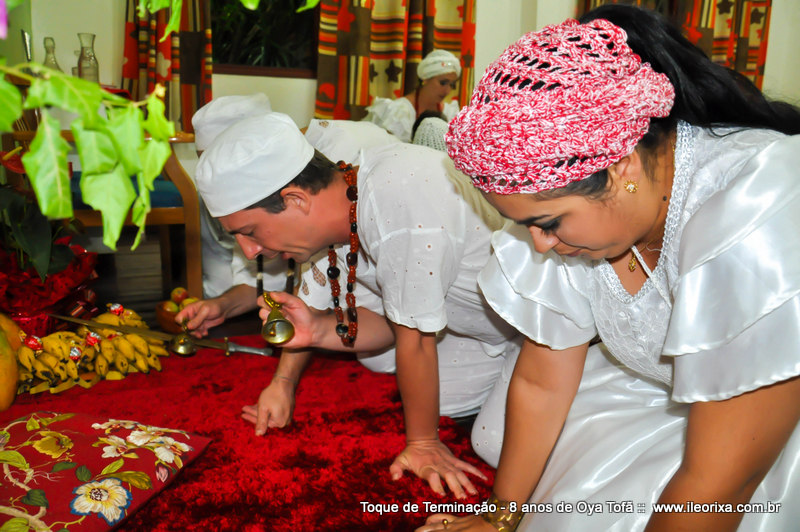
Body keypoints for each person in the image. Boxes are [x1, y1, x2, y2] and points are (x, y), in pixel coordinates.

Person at [417, 5, 800, 531]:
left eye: (549, 223)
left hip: (771, 426)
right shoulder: (585, 209)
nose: (540, 245)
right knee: (503, 440)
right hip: (670, 399)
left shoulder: (753, 206)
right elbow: (542, 381)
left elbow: (722, 482)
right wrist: (500, 517)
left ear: (621, 167)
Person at [194, 112, 521, 499]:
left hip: (539, 336)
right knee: (418, 385)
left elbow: (415, 338)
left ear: (295, 199)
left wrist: (423, 443)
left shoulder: (397, 196)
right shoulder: (347, 202)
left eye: (249, 232)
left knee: (493, 443)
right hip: (482, 333)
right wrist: (316, 329)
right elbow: (392, 324)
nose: (250, 251)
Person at [178, 96, 402, 336]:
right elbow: (265, 277)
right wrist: (222, 306)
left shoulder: (333, 170)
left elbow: (317, 300)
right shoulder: (262, 196)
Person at [364, 49, 462, 142]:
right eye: (443, 83)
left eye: (452, 85)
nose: (447, 90)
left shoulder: (450, 114)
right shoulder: (397, 112)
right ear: (425, 79)